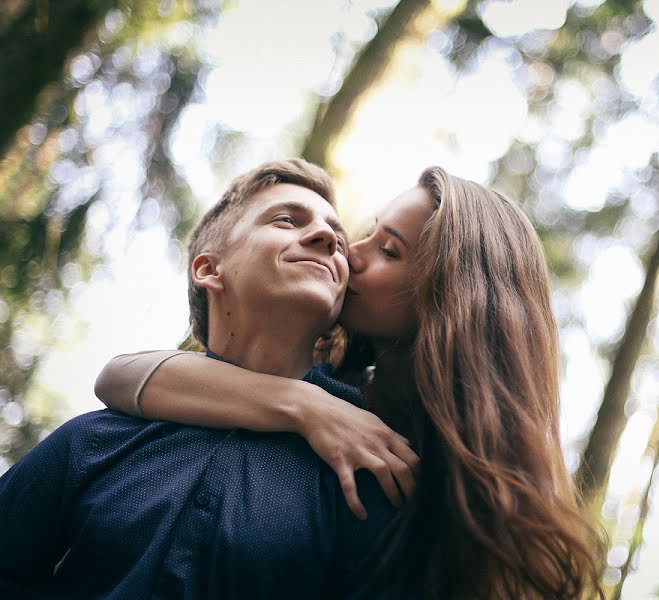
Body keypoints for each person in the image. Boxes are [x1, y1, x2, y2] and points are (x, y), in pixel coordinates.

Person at [95, 166, 606, 599]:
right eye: (365, 234)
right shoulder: (325, 376)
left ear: (452, 300)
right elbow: (118, 376)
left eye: (387, 250)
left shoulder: (475, 493)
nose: (348, 252)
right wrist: (303, 403)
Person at [0, 158, 408, 599]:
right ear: (209, 270)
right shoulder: (95, 438)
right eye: (287, 220)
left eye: (337, 238)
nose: (328, 239)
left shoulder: (368, 456)